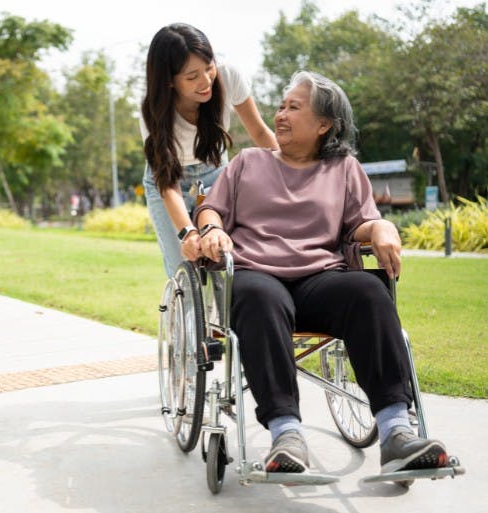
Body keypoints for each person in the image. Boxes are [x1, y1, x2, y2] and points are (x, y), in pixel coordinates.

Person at [193, 70, 449, 474]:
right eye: (280, 105)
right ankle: (286, 434)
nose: (279, 114)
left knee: (368, 290)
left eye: (293, 107)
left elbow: (360, 222)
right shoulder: (248, 162)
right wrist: (211, 228)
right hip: (258, 274)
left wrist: (381, 226)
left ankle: (397, 432)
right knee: (260, 297)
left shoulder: (344, 168)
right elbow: (212, 208)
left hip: (320, 282)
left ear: (324, 124)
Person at [140, 23, 278, 277]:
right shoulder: (152, 110)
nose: (206, 82)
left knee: (226, 260)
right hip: (170, 182)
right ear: (169, 81)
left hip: (216, 175)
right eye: (192, 77)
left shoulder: (228, 78)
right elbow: (166, 181)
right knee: (185, 269)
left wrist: (291, 177)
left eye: (209, 67)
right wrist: (188, 233)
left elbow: (259, 133)